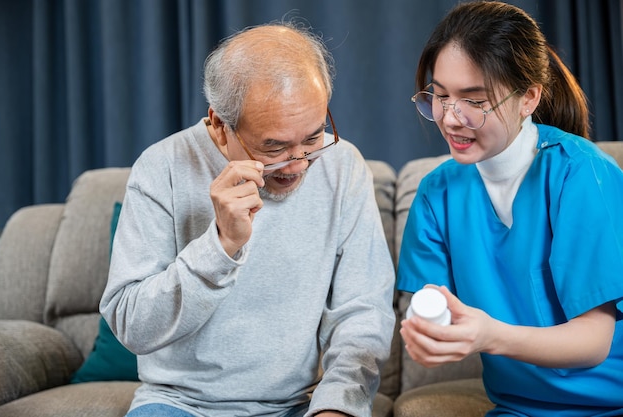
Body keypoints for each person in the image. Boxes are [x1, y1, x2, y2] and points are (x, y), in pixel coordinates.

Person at [100, 21, 395, 417]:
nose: (298, 165)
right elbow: (132, 324)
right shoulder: (162, 167)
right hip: (181, 404)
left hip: (300, 405)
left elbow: (363, 313)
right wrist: (220, 245)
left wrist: (337, 407)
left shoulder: (343, 167)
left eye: (312, 137)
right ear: (221, 126)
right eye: (273, 147)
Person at [397, 1, 623, 416]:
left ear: (529, 98)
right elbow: (432, 303)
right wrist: (429, 330)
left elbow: (594, 343)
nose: (450, 118)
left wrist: (489, 335)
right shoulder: (435, 193)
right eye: (440, 95)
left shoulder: (582, 174)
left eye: (475, 100)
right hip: (516, 408)